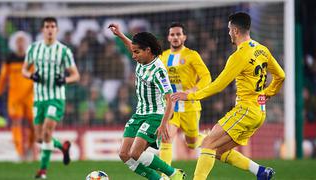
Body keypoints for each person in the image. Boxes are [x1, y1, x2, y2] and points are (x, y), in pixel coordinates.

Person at [171, 12, 285, 180]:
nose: (229, 33)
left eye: (229, 30)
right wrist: (267, 93)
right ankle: (261, 172)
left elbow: (219, 85)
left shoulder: (239, 55)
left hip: (245, 110)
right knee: (217, 151)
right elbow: (281, 75)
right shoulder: (262, 50)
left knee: (207, 143)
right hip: (259, 112)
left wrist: (191, 96)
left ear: (236, 31)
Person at [108, 23, 186, 180]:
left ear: (148, 50)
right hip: (140, 113)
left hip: (155, 115)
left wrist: (164, 124)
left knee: (135, 154)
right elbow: (132, 46)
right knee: (124, 154)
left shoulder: (159, 71)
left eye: (136, 52)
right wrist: (121, 35)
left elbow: (169, 99)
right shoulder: (141, 58)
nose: (133, 55)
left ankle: (173, 174)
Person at [22, 17, 80, 179]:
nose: (50, 29)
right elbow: (24, 71)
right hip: (39, 98)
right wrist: (32, 76)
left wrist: (64, 80)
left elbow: (75, 75)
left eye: (53, 26)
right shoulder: (34, 48)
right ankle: (62, 147)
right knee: (40, 138)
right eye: (47, 26)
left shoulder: (63, 51)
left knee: (47, 131)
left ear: (57, 30)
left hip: (56, 97)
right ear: (42, 29)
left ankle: (42, 171)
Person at [159, 22, 211, 169]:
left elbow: (206, 77)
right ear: (168, 38)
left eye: (178, 34)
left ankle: (205, 138)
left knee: (192, 143)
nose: (175, 37)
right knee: (166, 139)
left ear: (184, 37)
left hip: (190, 106)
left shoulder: (192, 55)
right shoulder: (163, 56)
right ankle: (165, 175)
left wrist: (191, 91)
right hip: (171, 106)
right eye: (172, 34)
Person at [0, 31, 35, 161]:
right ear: (14, 43)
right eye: (18, 41)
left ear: (26, 43)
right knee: (16, 122)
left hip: (30, 96)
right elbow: (3, 78)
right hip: (14, 97)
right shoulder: (9, 59)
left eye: (22, 41)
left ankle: (30, 148)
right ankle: (19, 152)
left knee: (32, 123)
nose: (20, 44)